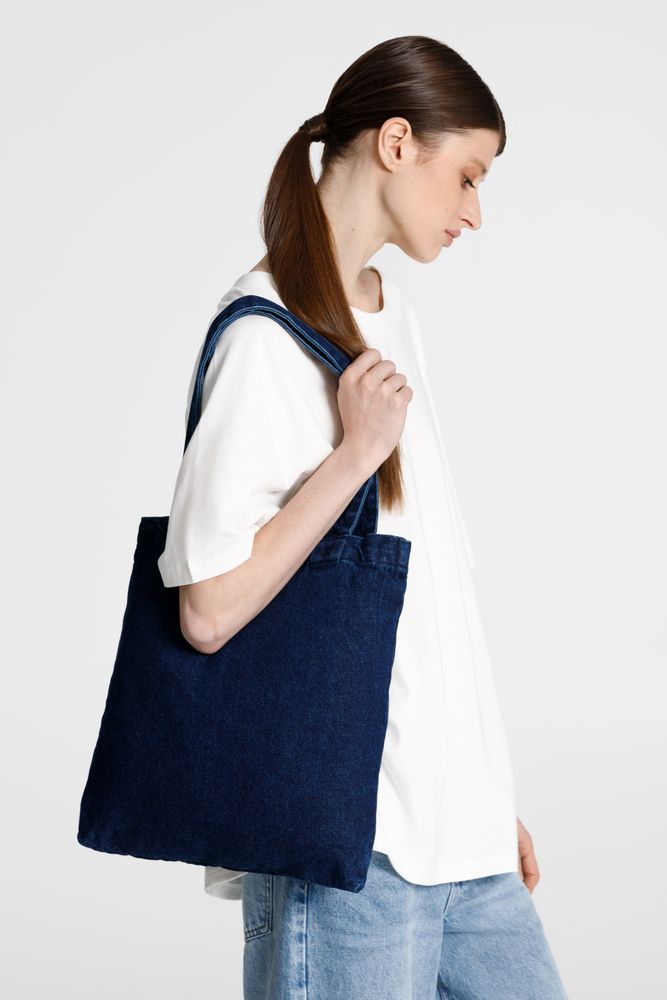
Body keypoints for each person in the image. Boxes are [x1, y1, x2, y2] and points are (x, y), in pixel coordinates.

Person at [157, 33, 569, 1000]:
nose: (474, 211)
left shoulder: (391, 316)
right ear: (395, 143)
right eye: (467, 176)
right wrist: (353, 457)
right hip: (350, 851)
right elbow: (206, 609)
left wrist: (479, 798)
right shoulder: (263, 336)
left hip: (459, 843)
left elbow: (429, 600)